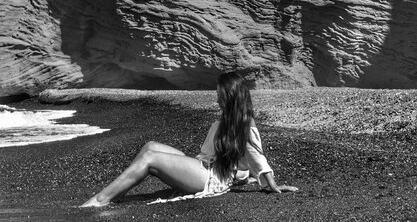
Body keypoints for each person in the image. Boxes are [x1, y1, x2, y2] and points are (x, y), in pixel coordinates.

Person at [81, 71, 298, 207]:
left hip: (211, 177)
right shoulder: (226, 121)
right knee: (151, 146)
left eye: (220, 93)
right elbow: (239, 158)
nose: (216, 97)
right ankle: (117, 194)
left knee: (149, 157)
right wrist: (245, 176)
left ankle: (101, 199)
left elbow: (256, 156)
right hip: (203, 165)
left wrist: (272, 184)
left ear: (230, 96)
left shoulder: (244, 124)